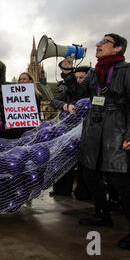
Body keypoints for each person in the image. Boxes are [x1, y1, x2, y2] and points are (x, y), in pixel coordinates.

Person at [61, 33, 130, 250]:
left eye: (105, 42)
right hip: (95, 127)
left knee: (120, 182)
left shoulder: (129, 70)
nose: (99, 45)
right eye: (99, 42)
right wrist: (68, 73)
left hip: (117, 128)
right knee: (90, 173)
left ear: (118, 48)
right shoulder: (94, 72)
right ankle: (102, 213)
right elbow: (78, 92)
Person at [49, 66, 91, 199]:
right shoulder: (68, 90)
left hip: (88, 132)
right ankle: (62, 189)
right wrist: (65, 105)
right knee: (64, 160)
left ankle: (84, 192)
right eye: (76, 77)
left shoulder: (93, 90)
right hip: (69, 131)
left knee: (85, 165)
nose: (78, 80)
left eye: (81, 78)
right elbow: (54, 101)